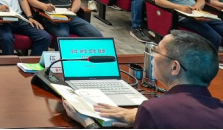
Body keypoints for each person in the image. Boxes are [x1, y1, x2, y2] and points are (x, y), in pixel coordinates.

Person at [64, 31, 222, 129]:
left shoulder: (154, 110)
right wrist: (139, 117)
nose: (152, 56)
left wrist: (87, 123)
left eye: (157, 51)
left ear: (175, 67)